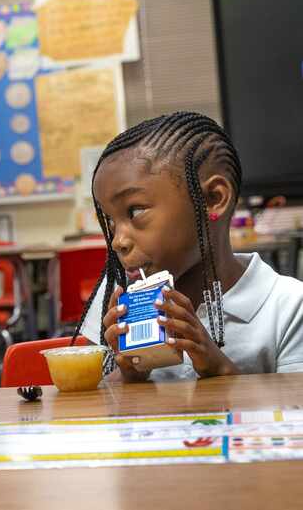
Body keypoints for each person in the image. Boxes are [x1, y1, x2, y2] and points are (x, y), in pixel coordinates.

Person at [75, 111, 303, 381]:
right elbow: (93, 409)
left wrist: (219, 370)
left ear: (213, 199)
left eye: (135, 211)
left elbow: (294, 414)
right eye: (110, 221)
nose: (118, 241)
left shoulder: (289, 307)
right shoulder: (116, 294)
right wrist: (130, 377)